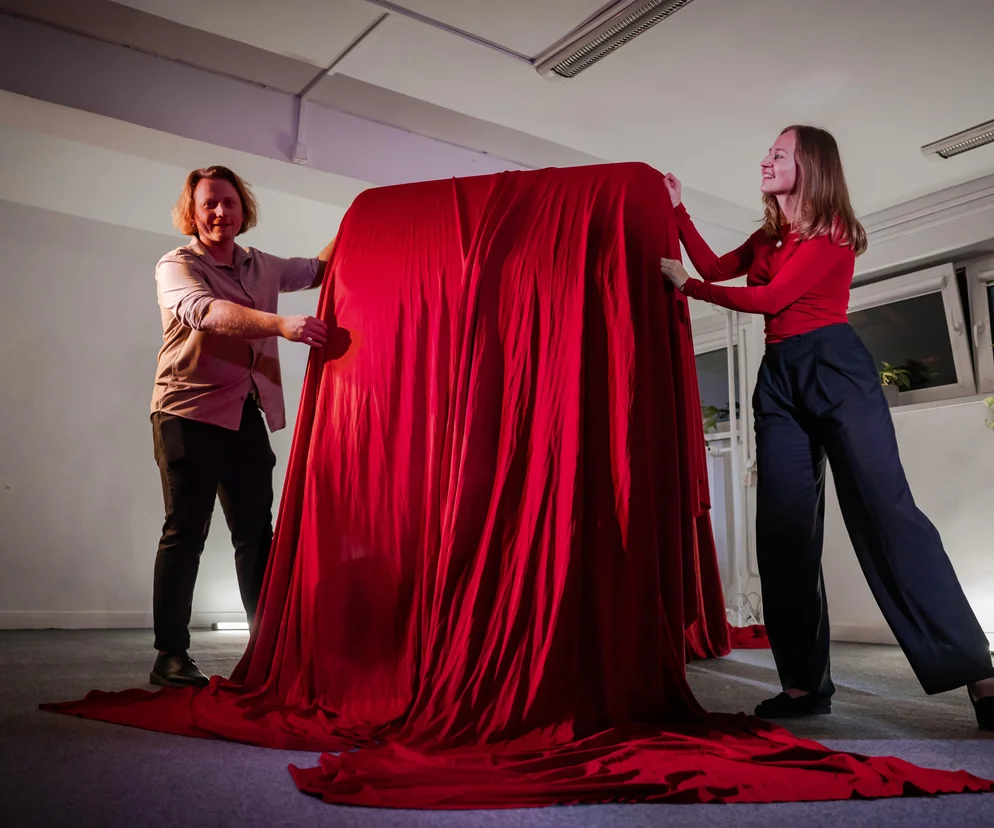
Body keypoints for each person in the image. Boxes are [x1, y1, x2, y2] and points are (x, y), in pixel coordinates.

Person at [659, 125, 994, 730]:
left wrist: (690, 289)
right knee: (783, 529)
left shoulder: (832, 233)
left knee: (887, 515)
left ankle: (980, 673)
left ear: (810, 165)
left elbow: (771, 300)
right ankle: (803, 685)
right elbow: (712, 264)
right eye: (767, 151)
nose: (766, 160)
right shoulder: (768, 236)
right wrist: (679, 210)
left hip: (834, 368)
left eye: (779, 154)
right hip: (779, 379)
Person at [149, 165, 340, 688]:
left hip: (244, 411)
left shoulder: (262, 265)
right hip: (186, 412)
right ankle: (170, 655)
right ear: (192, 212)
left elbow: (319, 270)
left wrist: (357, 220)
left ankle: (267, 647)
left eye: (229, 202)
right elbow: (206, 313)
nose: (220, 212)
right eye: (209, 203)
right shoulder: (177, 264)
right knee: (185, 532)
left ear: (243, 210)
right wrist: (280, 325)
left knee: (256, 532)